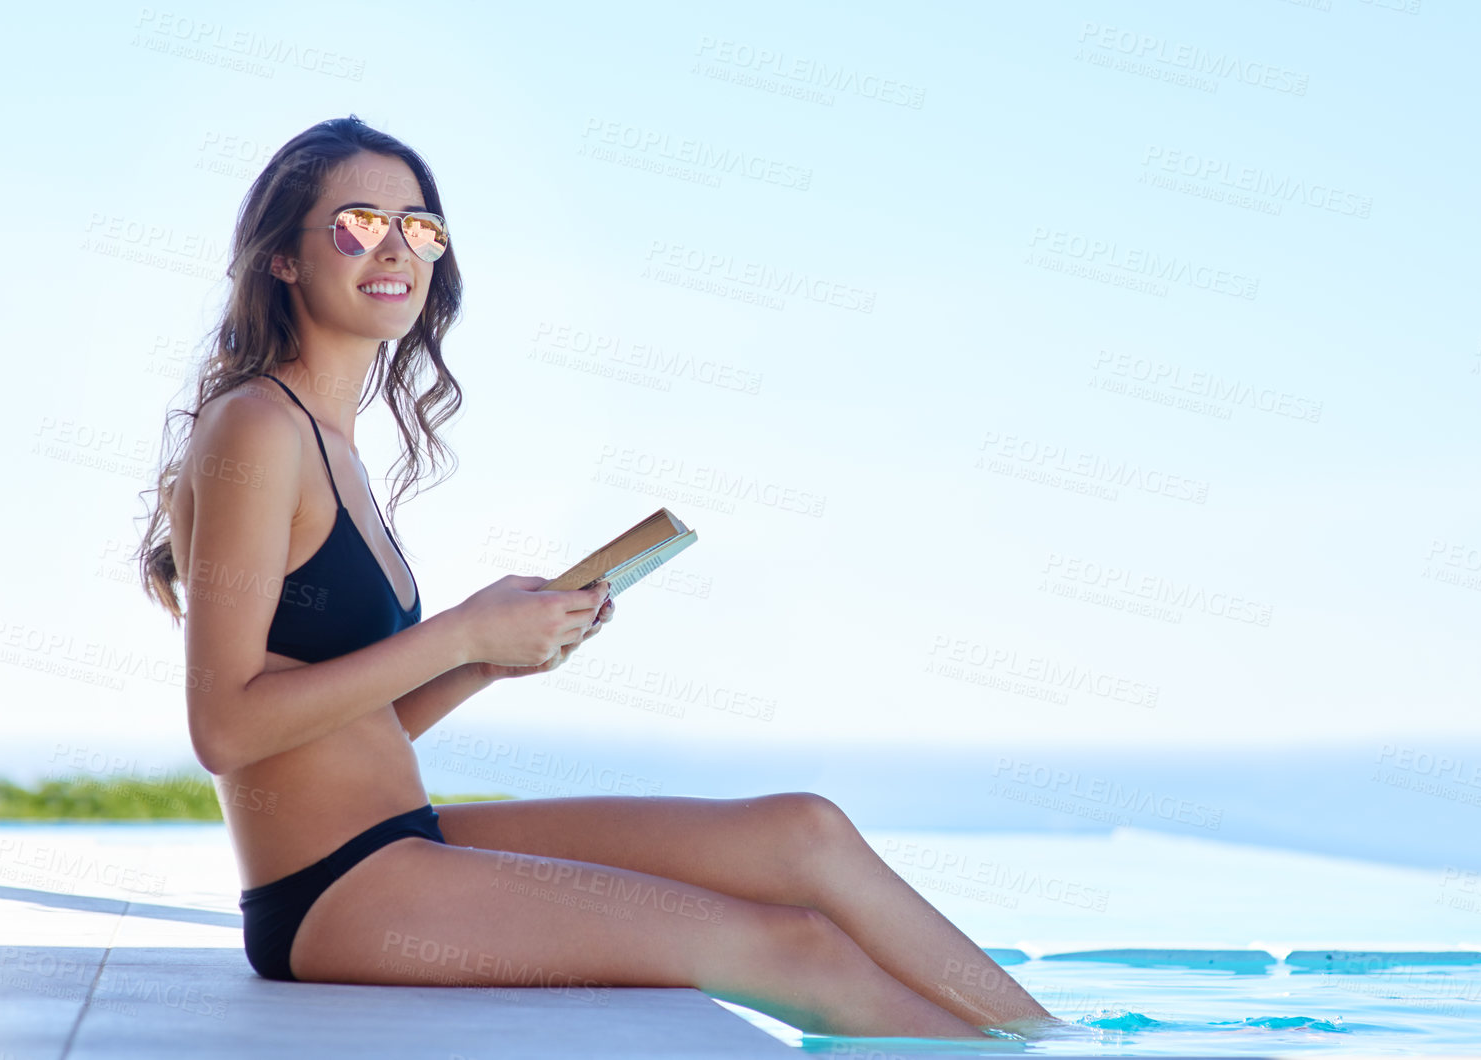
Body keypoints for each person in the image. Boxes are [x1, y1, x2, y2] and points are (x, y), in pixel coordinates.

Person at [135, 114, 1058, 1040]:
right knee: (796, 949)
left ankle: (1055, 1044)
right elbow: (227, 728)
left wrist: (487, 662)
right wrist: (456, 632)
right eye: (358, 223)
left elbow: (342, 730)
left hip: (400, 837)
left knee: (800, 832)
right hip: (330, 891)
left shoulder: (332, 442)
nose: (396, 249)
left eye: (419, 228)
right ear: (281, 260)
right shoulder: (256, 427)